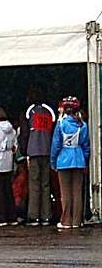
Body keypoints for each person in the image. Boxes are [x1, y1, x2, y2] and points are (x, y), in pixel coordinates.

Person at [50, 96, 90, 229]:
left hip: (63, 159)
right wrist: (85, 159)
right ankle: (77, 221)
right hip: (78, 158)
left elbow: (56, 145)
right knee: (77, 191)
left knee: (65, 192)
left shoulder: (60, 124)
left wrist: (53, 161)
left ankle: (66, 220)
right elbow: (86, 145)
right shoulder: (83, 125)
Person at [20, 103, 56, 226]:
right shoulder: (49, 112)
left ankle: (34, 216)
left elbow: (25, 133)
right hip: (47, 150)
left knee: (34, 184)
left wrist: (24, 151)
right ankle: (46, 216)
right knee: (45, 184)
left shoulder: (30, 111)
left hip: (33, 151)